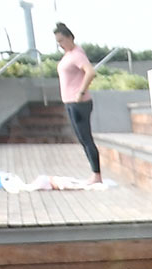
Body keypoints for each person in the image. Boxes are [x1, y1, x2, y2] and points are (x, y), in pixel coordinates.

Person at [54, 23, 101, 181]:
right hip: (70, 103)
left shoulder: (77, 54)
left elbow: (90, 72)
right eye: (58, 42)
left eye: (61, 40)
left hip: (79, 104)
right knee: (82, 139)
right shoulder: (68, 55)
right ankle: (94, 173)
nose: (60, 44)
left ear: (70, 37)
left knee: (86, 138)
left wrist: (81, 92)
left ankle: (96, 174)